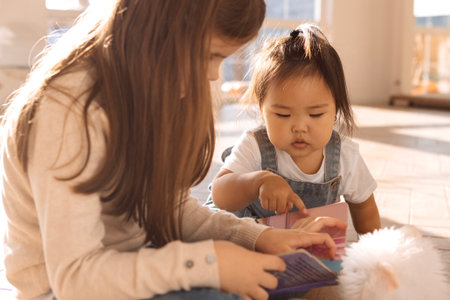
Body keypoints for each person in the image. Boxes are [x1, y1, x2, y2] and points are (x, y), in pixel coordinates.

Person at [0, 2, 347, 300]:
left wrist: (260, 237)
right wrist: (212, 262)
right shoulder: (66, 110)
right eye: (209, 56)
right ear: (159, 30)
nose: (213, 75)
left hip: (133, 262)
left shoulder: (144, 87)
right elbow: (76, 278)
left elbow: (170, 210)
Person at [207, 23, 381, 235]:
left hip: (304, 249)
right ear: (262, 111)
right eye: (283, 115)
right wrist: (259, 181)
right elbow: (219, 193)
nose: (299, 127)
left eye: (316, 114)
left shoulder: (345, 156)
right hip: (249, 237)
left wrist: (373, 253)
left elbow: (364, 208)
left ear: (336, 109)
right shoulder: (255, 145)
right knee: (215, 233)